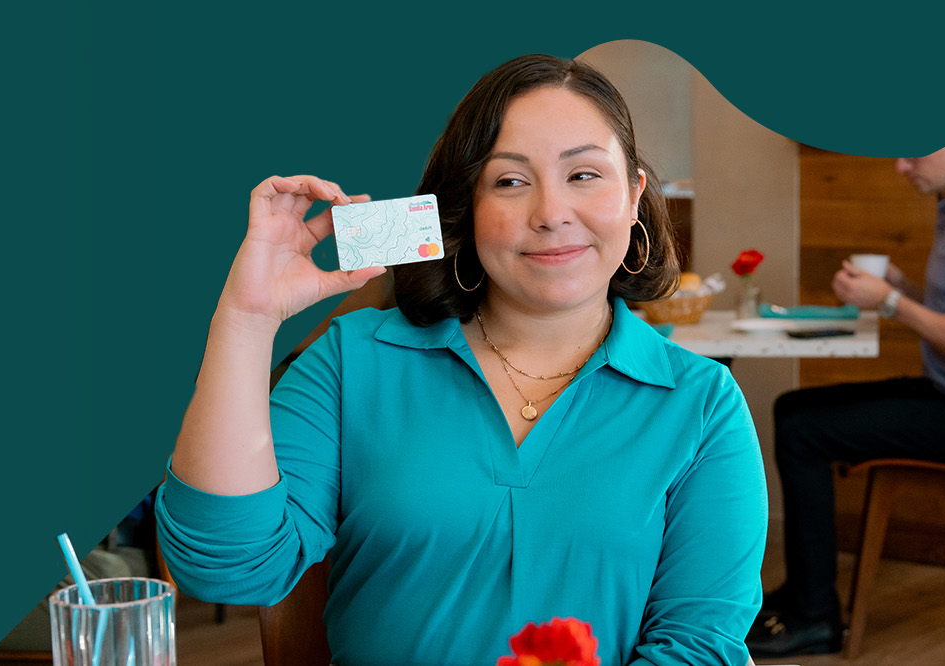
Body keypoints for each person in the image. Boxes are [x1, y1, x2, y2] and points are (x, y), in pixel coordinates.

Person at [156, 54, 766, 666]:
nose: (551, 213)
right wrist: (247, 318)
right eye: (509, 181)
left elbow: (700, 646)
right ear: (465, 208)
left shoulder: (702, 403)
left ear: (634, 195)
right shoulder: (351, 361)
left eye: (584, 175)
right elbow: (227, 567)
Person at [746, 133, 945, 657]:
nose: (900, 166)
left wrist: (888, 302)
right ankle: (802, 594)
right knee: (793, 409)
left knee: (802, 428)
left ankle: (816, 616)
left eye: (912, 153)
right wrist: (904, 289)